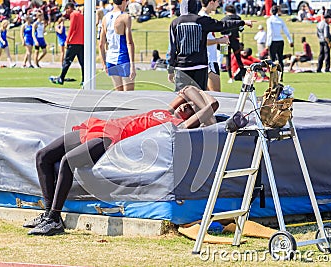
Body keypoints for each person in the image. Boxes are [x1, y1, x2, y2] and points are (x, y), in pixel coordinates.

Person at [23, 85, 219, 236]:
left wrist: (200, 99)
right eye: (188, 104)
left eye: (192, 108)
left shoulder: (177, 125)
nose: (187, 105)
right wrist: (193, 93)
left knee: (68, 162)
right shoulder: (166, 112)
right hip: (99, 127)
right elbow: (186, 91)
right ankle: (48, 214)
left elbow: (211, 106)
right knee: (43, 157)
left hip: (109, 138)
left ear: (192, 117)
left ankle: (55, 219)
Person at [167, 0, 253, 92]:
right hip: (200, 66)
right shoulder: (202, 20)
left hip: (182, 67)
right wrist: (242, 22)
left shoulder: (175, 23)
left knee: (182, 96)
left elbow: (172, 49)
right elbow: (223, 25)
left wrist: (170, 69)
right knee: (201, 97)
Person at [99, 0, 136, 91]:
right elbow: (129, 42)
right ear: (124, 1)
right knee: (129, 94)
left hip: (110, 58)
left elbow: (101, 44)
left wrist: (103, 63)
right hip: (123, 58)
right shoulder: (125, 17)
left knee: (118, 94)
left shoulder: (105, 17)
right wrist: (132, 65)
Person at [49, 2, 85, 86]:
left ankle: (61, 78)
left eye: (66, 10)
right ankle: (84, 80)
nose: (66, 12)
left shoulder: (73, 14)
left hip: (73, 42)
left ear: (69, 8)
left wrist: (67, 40)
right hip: (81, 42)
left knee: (67, 61)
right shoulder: (81, 15)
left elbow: (72, 28)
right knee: (82, 63)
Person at [198, 0, 229, 92]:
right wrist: (219, 40)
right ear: (211, 2)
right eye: (217, 2)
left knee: (207, 95)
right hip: (209, 61)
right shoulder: (203, 18)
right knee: (216, 95)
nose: (218, 4)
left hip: (210, 60)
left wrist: (219, 40)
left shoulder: (204, 17)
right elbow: (201, 41)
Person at [266, 5, 293, 81]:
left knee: (272, 60)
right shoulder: (280, 20)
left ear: (271, 11)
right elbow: (286, 31)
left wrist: (268, 43)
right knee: (280, 59)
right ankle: (281, 76)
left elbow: (270, 33)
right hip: (280, 41)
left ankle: (273, 76)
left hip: (273, 41)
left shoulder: (269, 20)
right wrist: (290, 41)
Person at [221, 5, 246, 84]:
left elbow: (221, 31)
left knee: (227, 59)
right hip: (235, 40)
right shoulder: (238, 18)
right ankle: (243, 76)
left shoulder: (224, 19)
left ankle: (230, 78)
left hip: (224, 41)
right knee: (238, 59)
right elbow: (241, 29)